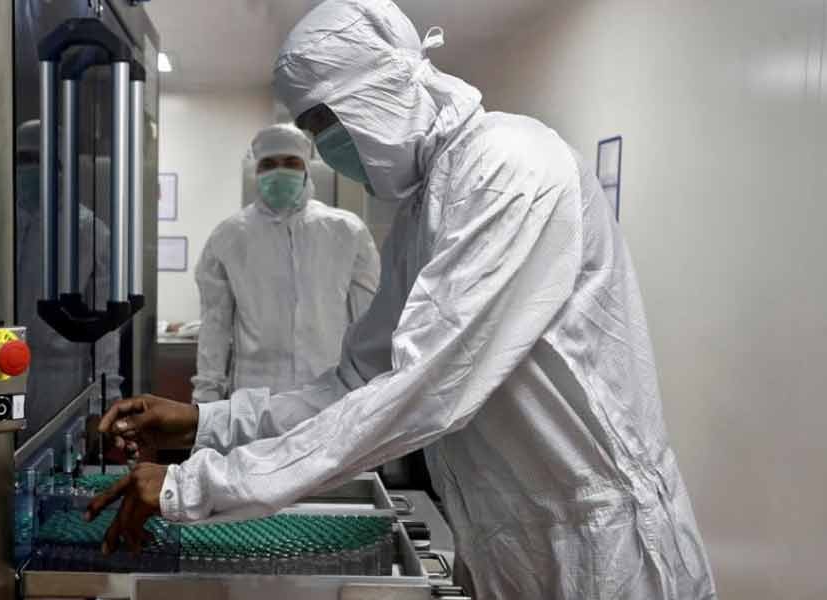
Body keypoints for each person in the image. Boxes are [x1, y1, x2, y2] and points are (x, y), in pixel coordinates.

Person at [87, 1, 718, 598]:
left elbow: (421, 390)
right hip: (507, 540)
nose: (321, 150)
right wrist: (205, 422)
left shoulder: (511, 168)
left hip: (598, 548)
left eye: (321, 126)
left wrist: (191, 486)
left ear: (374, 91)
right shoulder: (423, 208)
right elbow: (359, 380)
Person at [191, 123, 380, 402]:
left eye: (291, 162)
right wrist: (206, 397)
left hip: (330, 393)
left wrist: (372, 387)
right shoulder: (229, 236)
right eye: (269, 164)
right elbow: (214, 324)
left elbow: (367, 318)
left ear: (306, 168)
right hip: (256, 397)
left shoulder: (346, 231)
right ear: (257, 171)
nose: (280, 171)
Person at [15, 120, 122, 439]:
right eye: (23, 159)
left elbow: (107, 327)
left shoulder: (88, 230)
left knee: (52, 465)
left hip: (61, 380)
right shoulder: (0, 224)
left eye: (43, 159)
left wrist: (104, 401)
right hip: (0, 371)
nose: (31, 169)